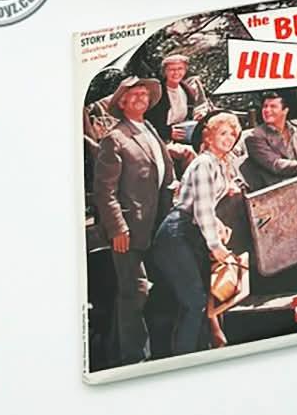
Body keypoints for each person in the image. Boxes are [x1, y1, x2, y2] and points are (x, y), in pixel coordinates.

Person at [92, 76, 174, 365]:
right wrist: (118, 228)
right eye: (134, 94)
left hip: (158, 224)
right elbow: (105, 190)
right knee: (134, 293)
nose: (141, 98)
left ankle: (154, 353)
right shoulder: (115, 138)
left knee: (155, 290)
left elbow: (163, 171)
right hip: (130, 230)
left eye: (144, 94)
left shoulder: (149, 129)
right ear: (123, 102)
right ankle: (133, 360)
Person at [150, 110, 241, 356]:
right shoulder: (204, 163)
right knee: (194, 301)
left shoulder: (218, 164)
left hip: (189, 233)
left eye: (232, 134)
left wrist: (219, 227)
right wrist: (216, 246)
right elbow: (200, 210)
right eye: (223, 133)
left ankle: (198, 353)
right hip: (176, 234)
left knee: (200, 302)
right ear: (208, 137)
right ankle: (183, 358)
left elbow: (204, 205)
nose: (229, 138)